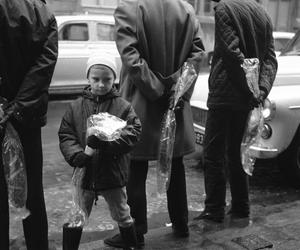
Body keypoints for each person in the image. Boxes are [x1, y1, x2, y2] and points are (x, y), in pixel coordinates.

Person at [105, 0, 205, 248]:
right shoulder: (186, 8)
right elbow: (198, 54)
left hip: (141, 100)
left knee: (135, 168)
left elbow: (130, 56)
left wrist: (157, 89)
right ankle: (181, 225)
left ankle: (135, 232)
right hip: (175, 102)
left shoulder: (128, 6)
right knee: (175, 163)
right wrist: (177, 88)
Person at [194, 0, 278, 223]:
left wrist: (251, 87)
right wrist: (260, 89)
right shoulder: (262, 12)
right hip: (246, 97)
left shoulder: (225, 8)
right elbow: (270, 57)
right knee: (238, 151)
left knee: (213, 153)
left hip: (225, 94)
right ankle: (241, 207)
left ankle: (215, 209)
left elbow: (231, 53)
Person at [58, 54, 142, 250]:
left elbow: (133, 132)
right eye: (96, 79)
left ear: (115, 79)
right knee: (76, 215)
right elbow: (66, 134)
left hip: (112, 175)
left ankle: (131, 245)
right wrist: (75, 154)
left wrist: (107, 142)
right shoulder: (75, 107)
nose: (101, 84)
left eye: (107, 79)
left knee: (122, 212)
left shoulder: (122, 107)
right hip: (84, 175)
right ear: (88, 78)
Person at [0, 0, 58, 249]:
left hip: (8, 112)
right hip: (28, 118)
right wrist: (17, 108)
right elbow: (44, 66)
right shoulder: (42, 11)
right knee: (33, 191)